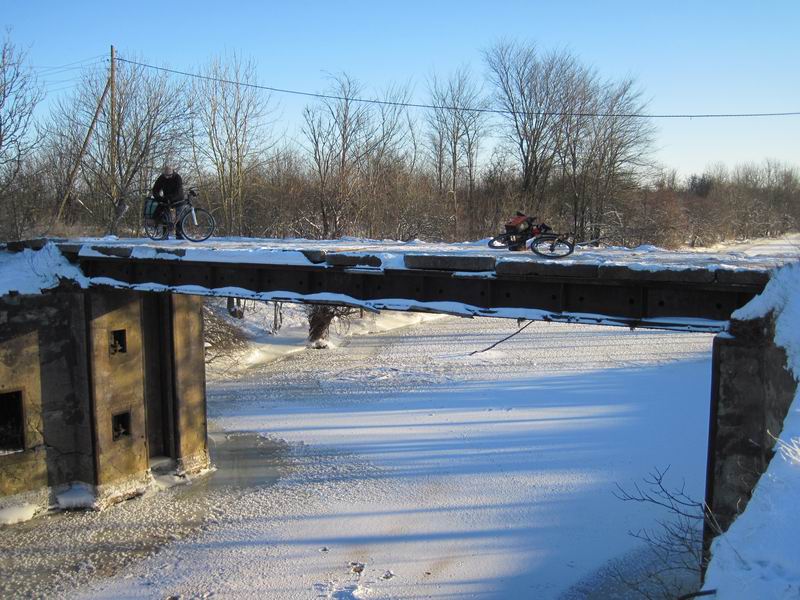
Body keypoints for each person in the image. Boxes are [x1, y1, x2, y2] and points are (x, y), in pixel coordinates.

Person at [151, 164, 185, 239]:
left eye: (169, 176)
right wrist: (159, 198)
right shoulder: (161, 178)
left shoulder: (177, 178)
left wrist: (170, 198)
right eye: (166, 175)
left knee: (179, 215)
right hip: (167, 199)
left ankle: (179, 234)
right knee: (165, 216)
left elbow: (178, 191)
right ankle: (165, 234)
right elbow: (155, 189)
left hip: (178, 198)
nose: (167, 177)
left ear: (172, 173)